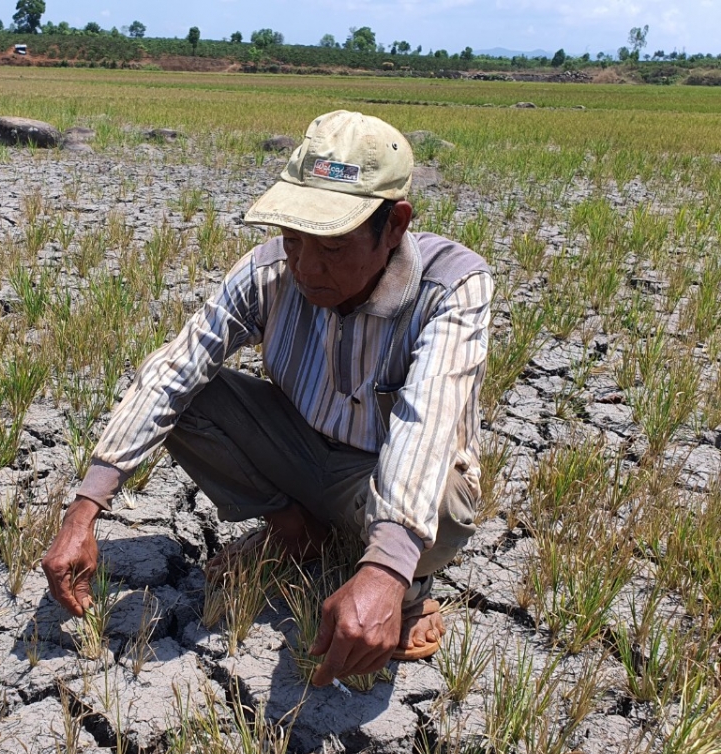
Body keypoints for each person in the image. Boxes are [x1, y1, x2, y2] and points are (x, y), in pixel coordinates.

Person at [41, 110, 491, 687]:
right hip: (298, 449)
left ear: (395, 225)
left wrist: (385, 571)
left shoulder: (451, 287)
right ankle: (294, 530)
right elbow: (174, 370)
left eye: (330, 245)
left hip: (381, 473)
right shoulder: (271, 272)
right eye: (293, 238)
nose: (304, 266)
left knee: (447, 504)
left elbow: (424, 423)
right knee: (190, 395)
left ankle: (408, 585)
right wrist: (85, 509)